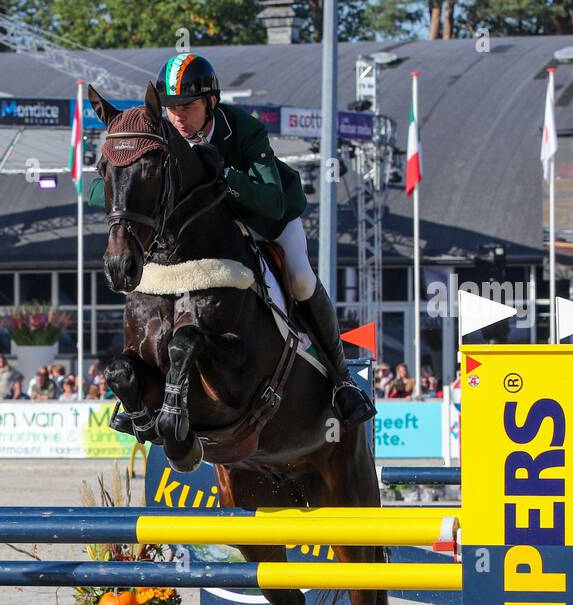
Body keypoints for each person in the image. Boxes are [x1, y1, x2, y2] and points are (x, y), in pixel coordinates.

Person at [87, 53, 375, 429]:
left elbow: (271, 201)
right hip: (201, 235)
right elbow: (98, 190)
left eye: (187, 106)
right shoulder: (159, 136)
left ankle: (342, 381)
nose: (177, 116)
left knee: (301, 278)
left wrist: (225, 175)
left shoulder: (243, 129)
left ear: (211, 102)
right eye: (170, 107)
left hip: (259, 219)